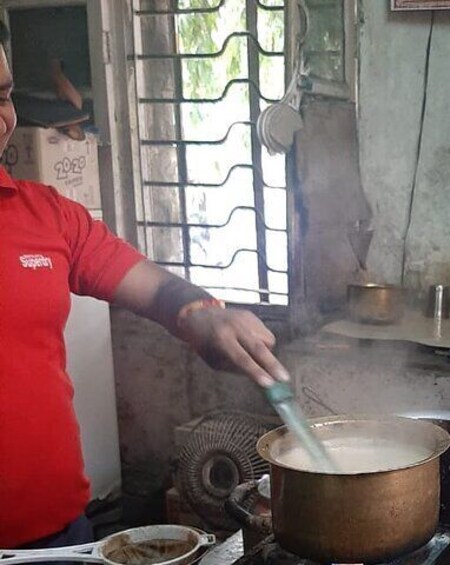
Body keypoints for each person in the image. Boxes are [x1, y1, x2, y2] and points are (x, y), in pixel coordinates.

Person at [0, 26, 290, 550]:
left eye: (2, 95)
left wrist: (208, 316)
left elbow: (155, 290)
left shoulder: (45, 213)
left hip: (62, 536)